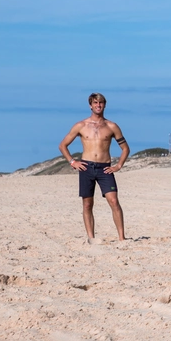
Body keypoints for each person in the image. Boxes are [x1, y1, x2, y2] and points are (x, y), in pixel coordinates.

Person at [58, 93, 130, 243]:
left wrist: (118, 166)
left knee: (114, 201)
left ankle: (122, 237)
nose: (98, 105)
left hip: (105, 168)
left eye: (101, 103)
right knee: (87, 203)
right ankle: (91, 238)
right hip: (86, 167)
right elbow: (63, 145)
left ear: (105, 105)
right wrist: (72, 162)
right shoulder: (81, 125)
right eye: (95, 103)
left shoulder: (112, 126)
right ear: (90, 105)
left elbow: (125, 149)